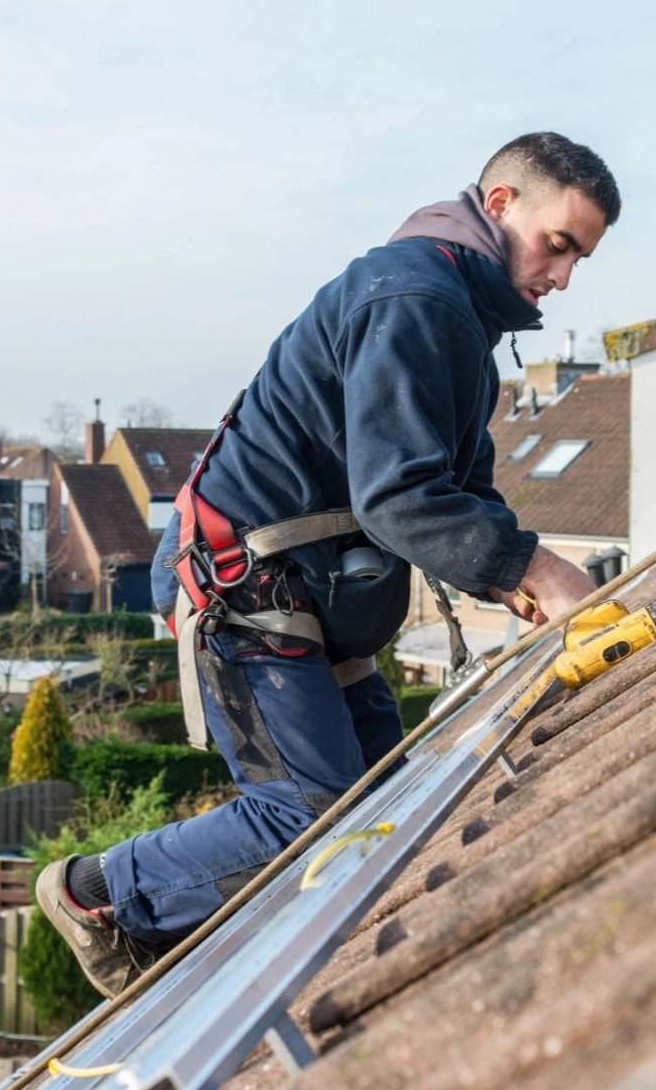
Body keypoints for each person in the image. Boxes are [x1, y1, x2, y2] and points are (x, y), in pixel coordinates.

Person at [37, 132, 621, 996]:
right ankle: (99, 895)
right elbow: (399, 498)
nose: (563, 276)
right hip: (245, 585)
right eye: (558, 244)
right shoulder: (414, 299)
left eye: (581, 257)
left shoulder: (455, 316)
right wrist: (534, 570)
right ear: (500, 205)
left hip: (312, 588)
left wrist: (504, 569)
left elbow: (457, 487)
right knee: (318, 819)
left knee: (388, 810)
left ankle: (274, 958)